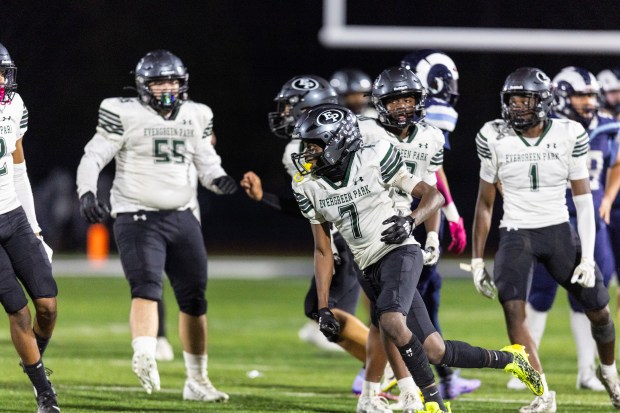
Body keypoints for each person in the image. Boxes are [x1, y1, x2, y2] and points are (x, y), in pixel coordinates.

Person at [293, 102, 543, 413]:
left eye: (314, 145)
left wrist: (411, 220)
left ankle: (434, 404)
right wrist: (323, 307)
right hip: (366, 265)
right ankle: (510, 359)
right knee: (434, 350)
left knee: (390, 320)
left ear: (337, 143)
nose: (307, 153)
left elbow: (433, 194)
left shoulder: (374, 157)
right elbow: (322, 249)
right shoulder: (308, 187)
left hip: (399, 251)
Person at [76, 49, 236, 402]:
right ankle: (145, 351)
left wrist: (221, 180)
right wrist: (87, 192)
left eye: (173, 82)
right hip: (137, 215)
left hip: (182, 215)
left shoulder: (197, 114)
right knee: (146, 286)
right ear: (143, 86)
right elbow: (94, 155)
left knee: (195, 300)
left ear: (184, 84)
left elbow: (207, 162)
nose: (168, 88)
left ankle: (197, 380)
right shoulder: (123, 112)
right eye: (159, 82)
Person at [469, 66, 620, 412]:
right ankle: (542, 395)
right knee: (513, 311)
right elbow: (485, 203)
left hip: (558, 229)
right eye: (513, 99)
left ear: (544, 101)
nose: (518, 106)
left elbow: (583, 203)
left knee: (599, 308)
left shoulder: (569, 133)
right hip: (516, 231)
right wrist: (478, 259)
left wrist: (585, 257)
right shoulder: (494, 135)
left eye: (526, 98)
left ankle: (609, 373)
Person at [242, 74, 377, 397]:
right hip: (362, 227)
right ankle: (383, 368)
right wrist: (265, 198)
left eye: (291, 107)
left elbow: (319, 203)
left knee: (327, 312)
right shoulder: (351, 130)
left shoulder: (300, 149)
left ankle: (386, 367)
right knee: (327, 312)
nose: (285, 113)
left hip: (349, 233)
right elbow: (311, 205)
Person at [509, 67, 618, 393]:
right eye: (581, 95)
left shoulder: (607, 127)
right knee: (540, 294)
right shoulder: (548, 129)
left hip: (591, 222)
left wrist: (609, 198)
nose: (589, 102)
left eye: (591, 95)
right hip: (553, 220)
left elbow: (615, 165)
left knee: (593, 297)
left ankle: (587, 372)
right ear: (561, 96)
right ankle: (527, 369)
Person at [397, 50, 479, 400]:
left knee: (423, 295)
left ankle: (442, 375)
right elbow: (431, 176)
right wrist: (451, 215)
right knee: (409, 299)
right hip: (412, 210)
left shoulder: (412, 119)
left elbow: (433, 168)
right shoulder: (434, 114)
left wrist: (452, 214)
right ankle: (388, 373)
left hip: (419, 208)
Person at [0, 42, 59, 413]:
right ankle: (44, 392)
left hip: (14, 215)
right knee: (18, 311)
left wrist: (36, 229)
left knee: (48, 306)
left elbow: (18, 169)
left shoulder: (14, 106)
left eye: (3, 72)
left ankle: (32, 362)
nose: (2, 80)